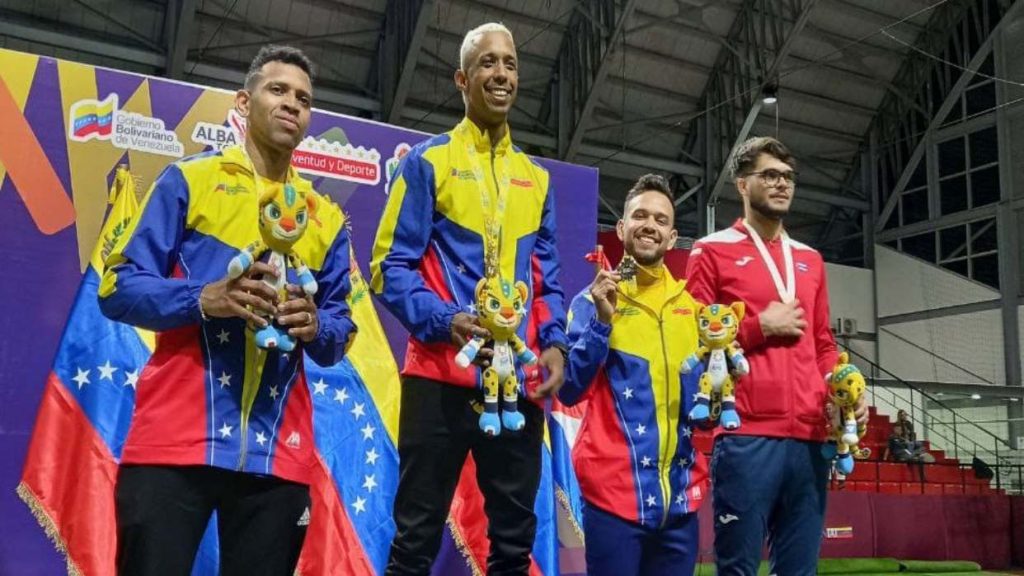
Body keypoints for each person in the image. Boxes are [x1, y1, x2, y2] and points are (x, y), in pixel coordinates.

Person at [99, 45, 356, 575]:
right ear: (244, 102)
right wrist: (204, 299)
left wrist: (316, 325)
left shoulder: (324, 218)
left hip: (278, 455)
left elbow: (340, 330)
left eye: (304, 99)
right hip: (174, 441)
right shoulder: (189, 181)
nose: (292, 104)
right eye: (278, 90)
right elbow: (117, 287)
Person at [370, 22, 568, 576]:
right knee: (415, 537)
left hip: (515, 384)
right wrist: (445, 320)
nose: (501, 73)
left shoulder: (537, 179)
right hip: (438, 377)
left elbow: (546, 279)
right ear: (462, 79)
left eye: (510, 63)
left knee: (513, 544)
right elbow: (387, 268)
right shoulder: (426, 162)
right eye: (487, 62)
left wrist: (554, 343)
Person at [685, 136, 867, 575]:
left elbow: (822, 343)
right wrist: (759, 327)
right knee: (738, 569)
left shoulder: (811, 259)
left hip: (810, 438)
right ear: (742, 184)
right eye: (769, 175)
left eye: (788, 176)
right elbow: (692, 339)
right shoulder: (711, 250)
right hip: (747, 434)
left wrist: (846, 391)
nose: (782, 184)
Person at [558, 174, 708, 576]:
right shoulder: (591, 301)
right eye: (640, 216)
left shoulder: (691, 310)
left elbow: (703, 411)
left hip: (680, 504)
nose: (649, 225)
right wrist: (602, 324)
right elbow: (569, 389)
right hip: (613, 501)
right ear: (622, 228)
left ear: (672, 238)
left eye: (660, 220)